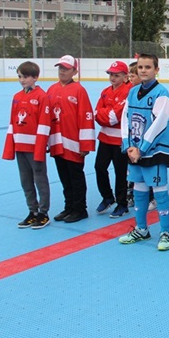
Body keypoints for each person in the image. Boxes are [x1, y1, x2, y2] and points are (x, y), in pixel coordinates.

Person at [118, 54, 169, 251]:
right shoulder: (133, 91)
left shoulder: (161, 94)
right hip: (134, 151)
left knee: (160, 193)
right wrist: (128, 145)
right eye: (140, 67)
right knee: (139, 191)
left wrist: (141, 149)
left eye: (148, 67)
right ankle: (141, 229)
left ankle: (166, 232)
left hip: (154, 153)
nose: (143, 70)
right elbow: (125, 119)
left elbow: (159, 124)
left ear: (156, 70)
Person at [3, 61, 52, 229]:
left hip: (34, 147)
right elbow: (12, 122)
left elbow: (44, 124)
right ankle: (33, 211)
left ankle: (43, 213)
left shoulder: (42, 97)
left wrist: (40, 147)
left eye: (25, 77)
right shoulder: (17, 97)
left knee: (40, 179)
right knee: (25, 181)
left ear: (35, 78)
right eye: (19, 76)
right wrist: (11, 145)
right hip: (20, 147)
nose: (22, 80)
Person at [47, 55, 96, 224]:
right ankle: (69, 207)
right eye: (60, 68)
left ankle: (80, 209)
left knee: (76, 177)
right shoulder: (51, 89)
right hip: (57, 143)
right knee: (64, 178)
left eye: (66, 69)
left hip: (74, 144)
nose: (62, 71)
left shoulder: (79, 90)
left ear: (75, 71)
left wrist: (86, 144)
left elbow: (86, 116)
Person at [93, 60, 132, 218]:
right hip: (105, 138)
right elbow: (96, 114)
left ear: (125, 77)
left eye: (116, 75)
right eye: (111, 74)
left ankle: (122, 204)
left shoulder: (128, 91)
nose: (113, 78)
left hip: (120, 140)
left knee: (120, 173)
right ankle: (108, 197)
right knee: (99, 167)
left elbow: (113, 117)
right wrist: (105, 115)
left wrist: (104, 114)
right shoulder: (105, 91)